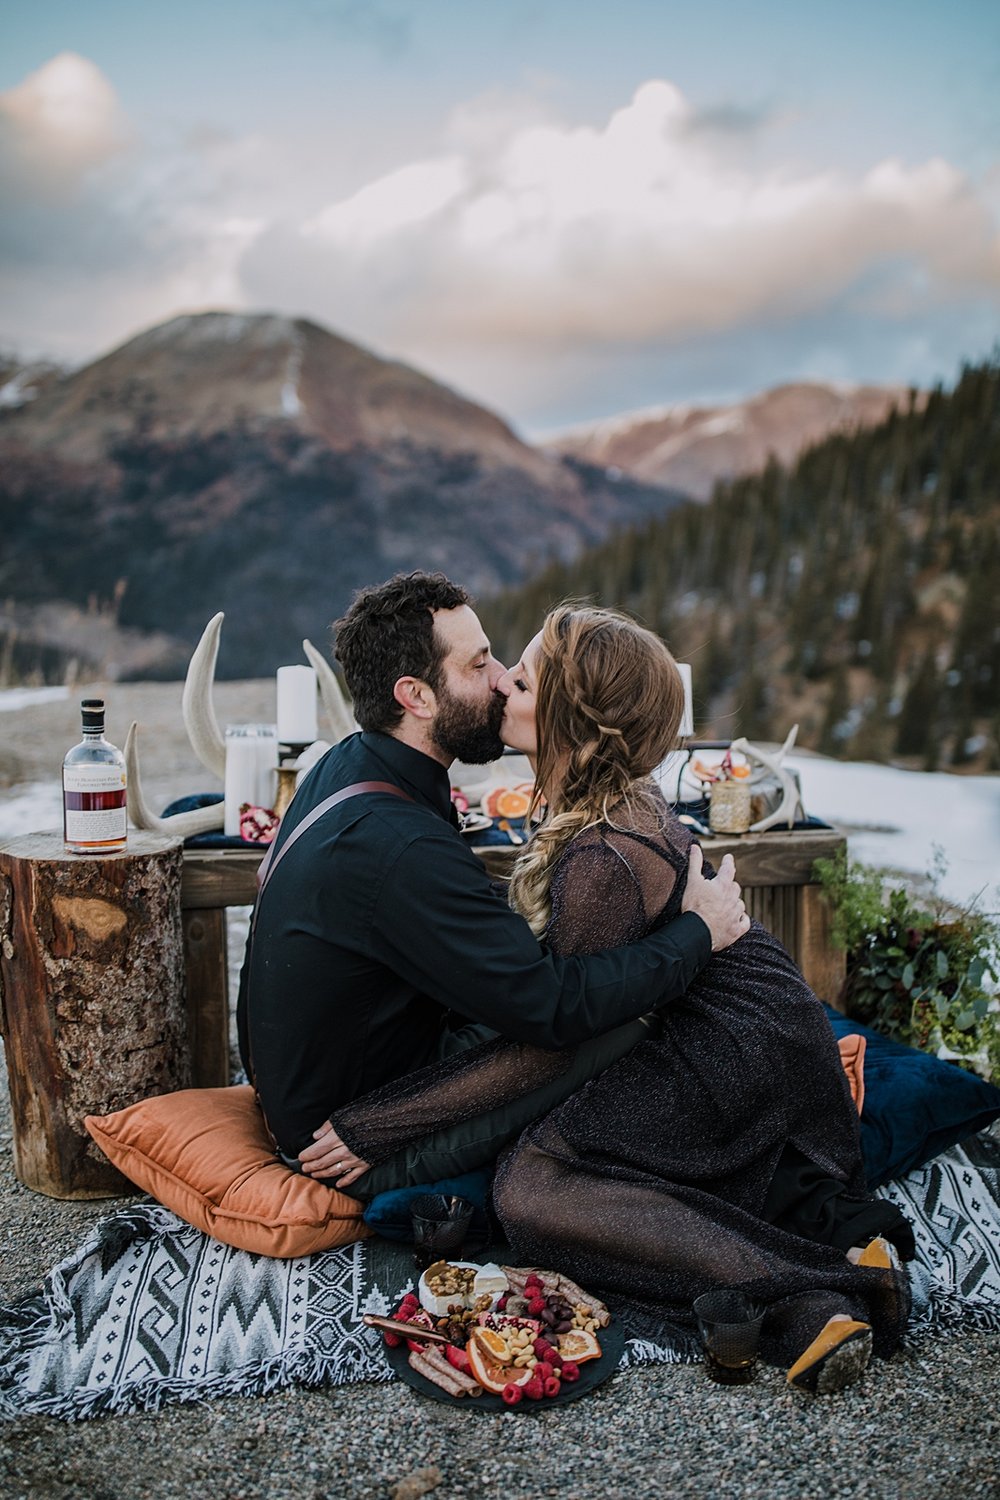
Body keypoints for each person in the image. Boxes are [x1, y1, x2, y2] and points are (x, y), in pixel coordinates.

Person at [319, 604, 913, 1395]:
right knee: (573, 1169)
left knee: (534, 1186)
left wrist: (378, 1125)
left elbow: (553, 1041)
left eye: (521, 680)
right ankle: (812, 1302)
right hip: (724, 1032)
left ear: (570, 719)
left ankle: (836, 1285)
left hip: (727, 1047)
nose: (499, 687)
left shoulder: (604, 855)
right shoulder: (601, 809)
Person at [237, 572, 749, 1170]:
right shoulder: (399, 844)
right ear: (417, 696)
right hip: (348, 1132)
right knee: (628, 1025)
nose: (502, 677)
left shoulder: (342, 767)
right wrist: (697, 934)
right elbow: (551, 1010)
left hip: (303, 1088)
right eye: (478, 665)